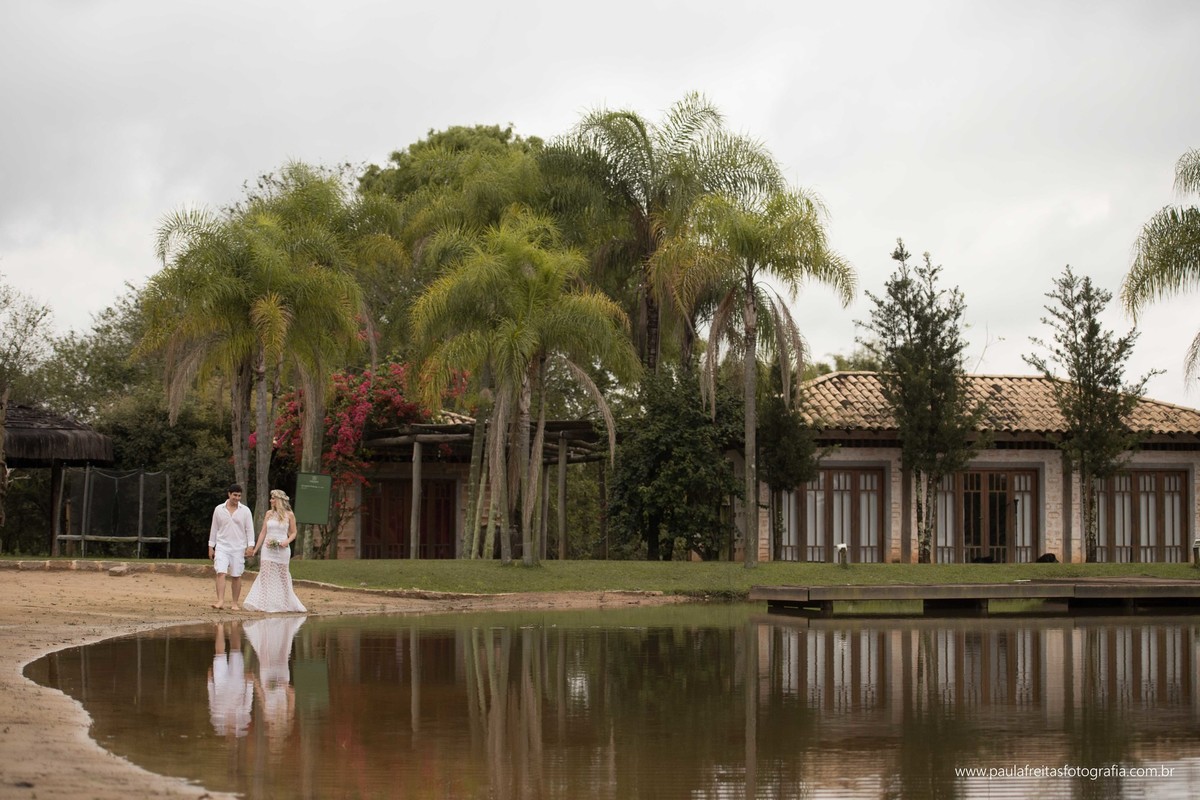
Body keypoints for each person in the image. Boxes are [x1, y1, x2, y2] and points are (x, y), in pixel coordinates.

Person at [243, 489, 307, 613]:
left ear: (279, 500)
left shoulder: (289, 515)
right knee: (265, 575)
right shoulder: (269, 514)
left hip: (282, 548)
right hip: (268, 548)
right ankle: (262, 604)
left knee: (283, 576)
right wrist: (256, 549)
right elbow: (263, 532)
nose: (271, 500)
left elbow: (294, 532)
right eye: (271, 498)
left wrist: (287, 541)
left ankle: (286, 603)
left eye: (273, 498)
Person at [208, 483, 255, 610]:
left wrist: (250, 546)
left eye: (239, 496)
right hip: (222, 546)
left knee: (236, 575)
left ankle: (234, 603)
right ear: (229, 494)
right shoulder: (219, 509)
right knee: (221, 572)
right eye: (235, 495)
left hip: (238, 547)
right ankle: (220, 601)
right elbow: (214, 528)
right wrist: (211, 546)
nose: (237, 498)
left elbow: (249, 530)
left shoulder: (245, 511)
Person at [207, 620, 253, 739]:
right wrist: (250, 683)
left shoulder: (218, 721)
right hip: (237, 685)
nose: (230, 732)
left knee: (219, 654)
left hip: (221, 687)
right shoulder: (243, 719)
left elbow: (212, 702)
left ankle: (221, 627)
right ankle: (234, 625)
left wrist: (210, 683)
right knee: (236, 650)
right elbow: (248, 702)